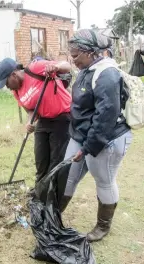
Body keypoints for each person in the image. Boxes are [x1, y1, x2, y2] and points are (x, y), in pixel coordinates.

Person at [60, 29, 133, 242]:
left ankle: (102, 227)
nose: (73, 61)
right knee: (68, 177)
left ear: (91, 52)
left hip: (107, 140)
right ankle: (54, 215)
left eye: (75, 56)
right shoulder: (87, 69)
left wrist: (87, 148)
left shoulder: (107, 74)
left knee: (104, 181)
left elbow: (105, 119)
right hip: (81, 135)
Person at [0, 57, 72, 185]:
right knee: (41, 161)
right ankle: (39, 193)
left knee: (55, 162)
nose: (7, 87)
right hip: (43, 120)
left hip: (62, 117)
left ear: (13, 74)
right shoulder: (16, 92)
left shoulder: (35, 68)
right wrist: (29, 122)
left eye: (6, 83)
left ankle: (51, 198)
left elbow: (67, 66)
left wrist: (56, 67)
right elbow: (31, 111)